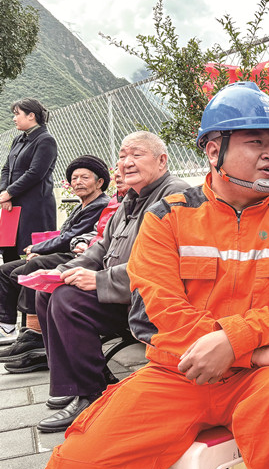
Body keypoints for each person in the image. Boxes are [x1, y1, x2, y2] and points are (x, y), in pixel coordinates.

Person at [44, 81, 269, 469]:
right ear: (214, 150)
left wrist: (235, 344)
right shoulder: (168, 215)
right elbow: (162, 308)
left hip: (267, 374)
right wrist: (252, 349)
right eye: (256, 142)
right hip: (181, 369)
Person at [32, 131, 189, 432]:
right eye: (122, 156)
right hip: (122, 294)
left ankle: (93, 394)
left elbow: (167, 262)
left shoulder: (175, 194)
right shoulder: (130, 198)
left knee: (68, 301)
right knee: (49, 291)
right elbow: (101, 248)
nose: (126, 163)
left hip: (148, 302)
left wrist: (101, 279)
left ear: (162, 160)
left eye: (136, 155)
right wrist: (63, 271)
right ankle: (74, 384)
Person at [0, 155, 111, 363]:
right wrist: (41, 250)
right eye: (74, 178)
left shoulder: (100, 205)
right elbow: (63, 235)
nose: (78, 182)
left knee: (32, 266)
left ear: (99, 182)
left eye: (84, 177)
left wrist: (37, 249)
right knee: (6, 271)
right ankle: (9, 328)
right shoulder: (82, 205)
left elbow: (69, 238)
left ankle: (36, 336)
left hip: (80, 256)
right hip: (67, 252)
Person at [0, 98, 58, 263]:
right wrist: (4, 194)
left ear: (31, 115)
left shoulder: (46, 140)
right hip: (12, 206)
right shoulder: (18, 140)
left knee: (32, 255)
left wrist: (10, 192)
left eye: (17, 114)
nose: (14, 118)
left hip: (35, 208)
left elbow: (35, 173)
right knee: (9, 253)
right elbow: (6, 168)